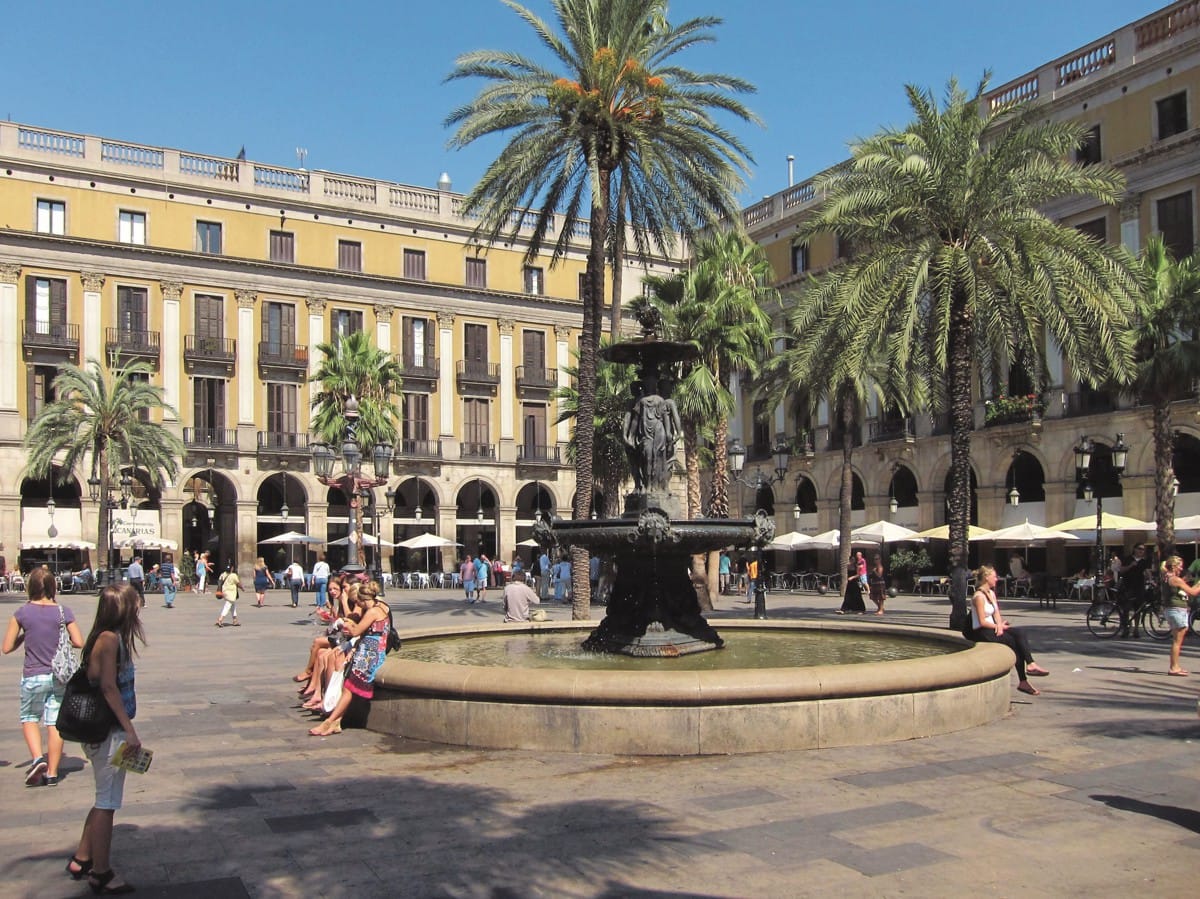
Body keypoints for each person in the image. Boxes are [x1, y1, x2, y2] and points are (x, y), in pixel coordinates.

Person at [67, 583, 144, 894]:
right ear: (124, 609)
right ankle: (101, 872)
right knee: (107, 802)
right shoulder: (111, 640)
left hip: (104, 731)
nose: (139, 607)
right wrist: (129, 730)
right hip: (109, 731)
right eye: (136, 603)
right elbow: (109, 688)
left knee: (104, 796)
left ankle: (82, 857)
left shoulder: (105, 637)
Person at [2, 568, 84, 788]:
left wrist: (23, 637)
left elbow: (6, 648)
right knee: (54, 723)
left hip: (33, 675)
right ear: (52, 587)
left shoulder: (22, 613)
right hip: (58, 676)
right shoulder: (62, 611)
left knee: (29, 717)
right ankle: (53, 773)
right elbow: (78, 641)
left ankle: (38, 758)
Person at [309, 581, 390, 736]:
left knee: (348, 688)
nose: (357, 605)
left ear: (363, 599)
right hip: (369, 650)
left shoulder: (372, 612)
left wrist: (346, 624)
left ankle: (329, 722)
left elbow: (356, 631)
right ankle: (336, 722)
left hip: (370, 654)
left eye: (358, 601)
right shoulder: (381, 607)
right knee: (348, 687)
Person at [970, 565, 1049, 695]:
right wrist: (998, 627)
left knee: (1019, 633)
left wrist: (1000, 624)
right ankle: (1023, 681)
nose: (996, 579)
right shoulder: (979, 596)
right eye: (994, 577)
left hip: (993, 627)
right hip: (982, 631)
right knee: (1013, 642)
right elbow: (982, 622)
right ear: (986, 578)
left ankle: (1031, 664)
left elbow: (996, 614)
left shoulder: (990, 593)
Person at [1160, 556, 1200, 676]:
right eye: (1180, 565)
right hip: (1177, 610)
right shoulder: (1175, 579)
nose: (1182, 568)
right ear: (1174, 566)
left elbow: (1181, 589)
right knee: (1177, 641)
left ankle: (1175, 666)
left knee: (1176, 640)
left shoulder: (1167, 577)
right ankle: (1174, 667)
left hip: (1171, 609)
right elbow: (1192, 592)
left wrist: (1186, 581)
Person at [214, 562, 241, 628]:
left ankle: (235, 620)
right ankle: (220, 619)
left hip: (224, 592)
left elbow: (219, 581)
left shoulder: (222, 574)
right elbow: (238, 583)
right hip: (231, 593)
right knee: (227, 606)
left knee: (233, 605)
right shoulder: (234, 575)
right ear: (232, 568)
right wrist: (242, 588)